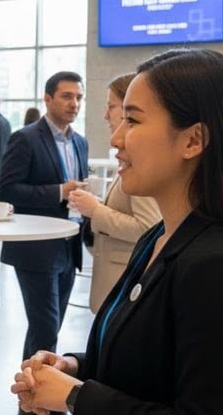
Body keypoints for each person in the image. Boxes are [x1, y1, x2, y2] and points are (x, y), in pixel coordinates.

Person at [12, 47, 223, 415]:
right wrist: (75, 367)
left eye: (132, 120)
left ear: (193, 140)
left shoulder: (216, 264)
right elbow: (151, 366)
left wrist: (75, 397)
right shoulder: (161, 237)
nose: (116, 138)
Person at [0, 71, 88, 415]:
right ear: (48, 99)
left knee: (45, 329)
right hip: (35, 249)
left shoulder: (79, 142)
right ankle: (43, 406)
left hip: (69, 244)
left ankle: (32, 397)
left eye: (78, 98)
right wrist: (58, 191)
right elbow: (8, 190)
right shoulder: (25, 139)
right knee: (46, 326)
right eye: (67, 96)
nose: (74, 104)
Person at [68, 74, 161, 312]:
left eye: (111, 106)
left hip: (124, 281)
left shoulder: (142, 163)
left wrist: (96, 210)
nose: (106, 116)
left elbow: (148, 227)